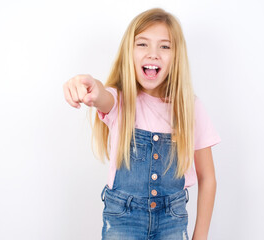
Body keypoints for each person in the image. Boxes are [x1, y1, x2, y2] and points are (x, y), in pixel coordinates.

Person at [63, 8, 221, 240]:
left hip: (172, 222)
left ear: (176, 56)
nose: (153, 54)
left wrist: (201, 236)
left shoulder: (189, 108)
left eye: (165, 46)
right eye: (143, 44)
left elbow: (208, 178)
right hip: (123, 219)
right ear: (129, 52)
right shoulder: (120, 100)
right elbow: (102, 95)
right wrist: (88, 85)